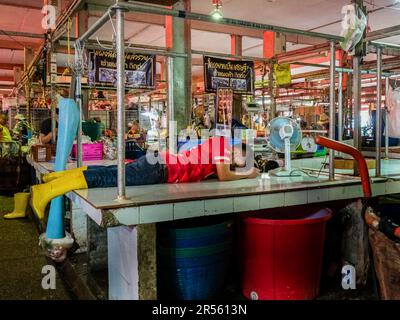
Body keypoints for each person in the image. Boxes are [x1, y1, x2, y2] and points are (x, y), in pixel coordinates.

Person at [31, 136, 260, 219]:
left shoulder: (217, 149)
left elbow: (215, 172)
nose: (240, 164)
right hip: (161, 168)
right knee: (108, 179)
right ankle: (46, 192)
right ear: (238, 150)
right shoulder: (223, 144)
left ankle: (56, 178)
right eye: (244, 159)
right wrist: (249, 173)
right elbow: (224, 175)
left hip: (160, 164)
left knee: (110, 173)